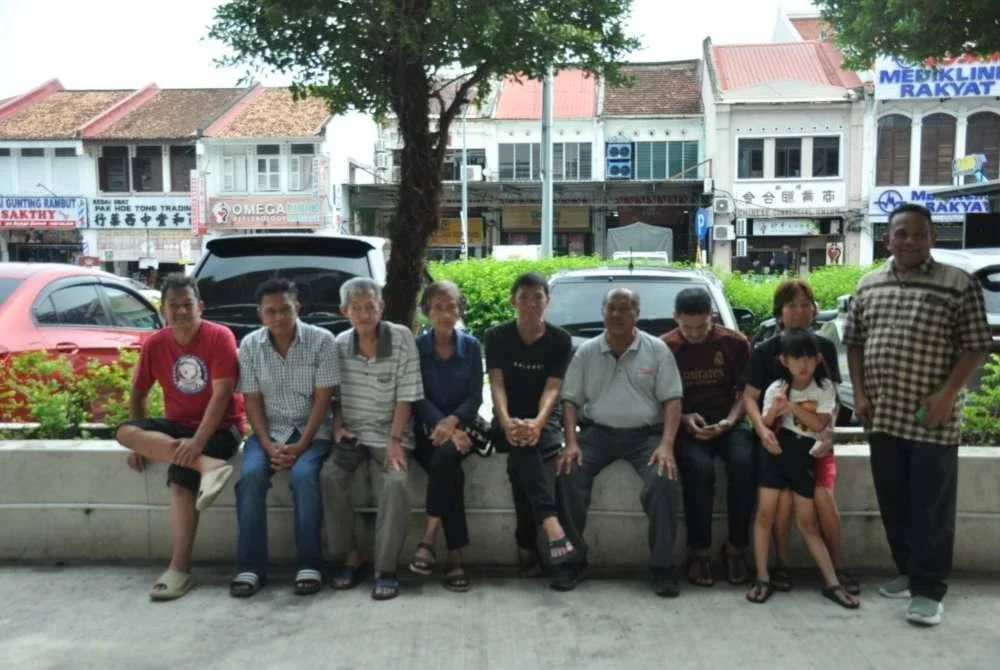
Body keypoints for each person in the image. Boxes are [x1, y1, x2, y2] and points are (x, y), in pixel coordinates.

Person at [844, 203, 991, 626]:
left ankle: (929, 589)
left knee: (931, 505)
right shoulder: (868, 285)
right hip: (883, 413)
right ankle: (908, 571)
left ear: (932, 238)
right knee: (894, 500)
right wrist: (860, 393)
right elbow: (854, 341)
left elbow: (975, 344)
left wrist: (948, 395)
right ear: (886, 238)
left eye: (917, 234)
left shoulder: (956, 283)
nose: (908, 241)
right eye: (900, 233)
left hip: (932, 415)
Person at [116, 273, 244, 601]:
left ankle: (178, 569)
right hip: (180, 429)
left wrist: (198, 442)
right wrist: (144, 444)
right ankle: (209, 467)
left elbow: (222, 393)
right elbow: (139, 392)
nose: (182, 312)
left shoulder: (220, 337)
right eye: (174, 306)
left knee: (180, 481)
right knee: (126, 431)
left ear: (200, 306)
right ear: (163, 310)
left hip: (220, 428)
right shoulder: (156, 344)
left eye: (188, 304)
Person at [556, 288, 683, 595]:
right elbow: (570, 401)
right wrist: (571, 442)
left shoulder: (657, 350)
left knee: (664, 479)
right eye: (612, 308)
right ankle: (573, 560)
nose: (617, 315)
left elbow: (673, 400)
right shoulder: (586, 352)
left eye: (625, 310)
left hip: (646, 437)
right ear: (603, 312)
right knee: (568, 473)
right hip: (596, 434)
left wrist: (666, 445)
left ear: (637, 315)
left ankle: (663, 566)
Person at [743, 279, 858, 595]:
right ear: (779, 313)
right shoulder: (766, 351)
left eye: (806, 305)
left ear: (815, 310)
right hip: (778, 440)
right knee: (777, 507)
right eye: (791, 305)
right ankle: (779, 567)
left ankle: (838, 567)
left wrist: (828, 433)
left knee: (822, 498)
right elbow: (750, 398)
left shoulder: (823, 349)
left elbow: (830, 398)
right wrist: (763, 429)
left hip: (815, 441)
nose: (799, 311)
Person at [230, 279, 339, 598]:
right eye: (271, 311)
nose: (279, 317)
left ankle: (310, 563)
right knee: (249, 476)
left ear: (298, 308)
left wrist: (302, 444)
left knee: (305, 476)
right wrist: (266, 444)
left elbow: (323, 399)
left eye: (285, 309)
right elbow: (251, 400)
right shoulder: (250, 345)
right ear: (260, 314)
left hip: (312, 431)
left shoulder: (322, 341)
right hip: (269, 432)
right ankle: (250, 567)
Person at [321, 278, 424, 601]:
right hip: (354, 433)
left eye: (370, 306)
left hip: (392, 432)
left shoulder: (401, 338)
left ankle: (385, 568)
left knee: (396, 482)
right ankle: (350, 556)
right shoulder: (338, 345)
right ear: (344, 311)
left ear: (381, 307)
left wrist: (395, 439)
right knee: (329, 477)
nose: (364, 314)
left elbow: (407, 394)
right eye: (356, 308)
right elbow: (334, 396)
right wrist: (338, 427)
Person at [484, 272, 575, 579]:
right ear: (513, 300)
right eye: (524, 296)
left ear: (547, 301)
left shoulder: (560, 340)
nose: (531, 303)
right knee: (523, 446)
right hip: (505, 417)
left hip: (544, 420)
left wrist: (536, 423)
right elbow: (496, 385)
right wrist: (508, 421)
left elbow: (553, 389)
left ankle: (526, 545)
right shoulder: (497, 336)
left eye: (538, 297)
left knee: (521, 461)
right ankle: (552, 526)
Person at [662, 287, 755, 587]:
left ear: (711, 319)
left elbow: (746, 393)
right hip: (686, 422)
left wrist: (729, 420)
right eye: (686, 326)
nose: (694, 334)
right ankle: (698, 552)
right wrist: (685, 418)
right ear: (675, 318)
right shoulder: (666, 347)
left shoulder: (735, 343)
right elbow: (660, 397)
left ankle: (737, 548)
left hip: (730, 419)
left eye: (701, 326)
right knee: (698, 470)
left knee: (744, 464)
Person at [408, 280, 483, 592]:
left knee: (447, 458)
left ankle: (428, 539)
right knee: (448, 469)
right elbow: (415, 394)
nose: (445, 313)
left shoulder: (472, 346)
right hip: (425, 432)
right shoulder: (417, 348)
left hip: (464, 429)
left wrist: (451, 424)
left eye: (451, 306)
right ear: (427, 312)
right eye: (437, 307)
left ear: (459, 310)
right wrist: (439, 424)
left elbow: (475, 397)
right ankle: (454, 557)